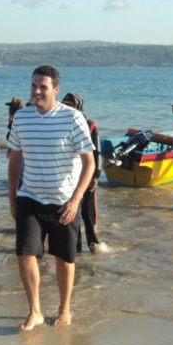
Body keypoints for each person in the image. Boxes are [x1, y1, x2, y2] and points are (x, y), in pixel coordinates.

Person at [7, 65, 95, 331]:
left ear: (55, 89)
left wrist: (75, 200)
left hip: (63, 201)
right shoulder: (22, 118)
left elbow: (89, 162)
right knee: (24, 254)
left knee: (64, 259)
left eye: (43, 87)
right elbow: (14, 160)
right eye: (34, 85)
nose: (36, 91)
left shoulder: (73, 118)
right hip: (30, 198)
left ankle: (64, 308)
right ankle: (34, 311)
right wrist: (12, 198)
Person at [61, 93, 102, 253]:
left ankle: (94, 246)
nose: (68, 107)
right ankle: (75, 249)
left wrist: (95, 177)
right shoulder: (62, 122)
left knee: (88, 214)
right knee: (72, 214)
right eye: (66, 104)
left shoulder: (90, 125)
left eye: (71, 105)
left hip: (87, 177)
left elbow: (97, 152)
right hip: (69, 178)